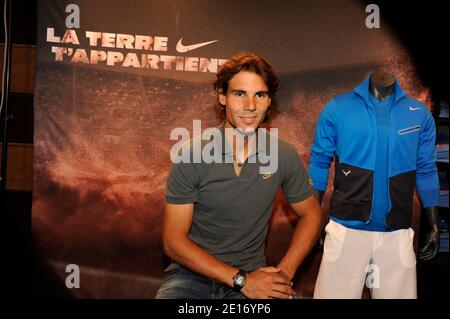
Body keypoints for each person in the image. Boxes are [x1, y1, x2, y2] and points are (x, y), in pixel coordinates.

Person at [156, 52, 322, 299]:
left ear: (269, 101)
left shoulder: (283, 154)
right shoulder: (190, 154)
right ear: (222, 97)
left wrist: (283, 273)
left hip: (253, 277)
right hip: (190, 277)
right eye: (239, 94)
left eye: (260, 95)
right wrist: (240, 280)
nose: (250, 106)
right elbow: (173, 241)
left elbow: (312, 214)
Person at [309, 71, 440, 299]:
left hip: (396, 232)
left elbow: (426, 170)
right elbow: (319, 162)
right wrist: (312, 218)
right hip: (346, 229)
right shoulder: (338, 108)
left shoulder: (419, 114)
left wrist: (434, 225)